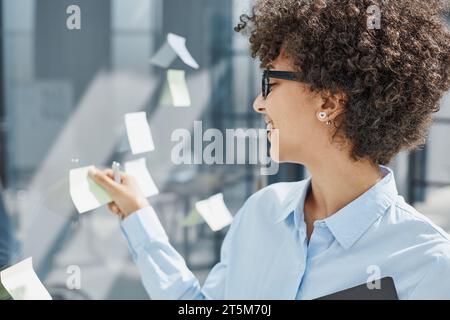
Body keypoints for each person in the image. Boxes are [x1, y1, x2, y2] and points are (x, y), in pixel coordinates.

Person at [89, 0, 450, 299]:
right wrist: (138, 216)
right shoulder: (261, 213)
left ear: (329, 100)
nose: (258, 103)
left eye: (271, 82)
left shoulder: (427, 263)